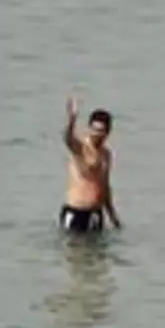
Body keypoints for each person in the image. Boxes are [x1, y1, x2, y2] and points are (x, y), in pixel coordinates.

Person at [59, 96, 121, 233]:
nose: (96, 134)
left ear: (108, 132)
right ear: (89, 128)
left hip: (95, 213)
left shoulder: (106, 155)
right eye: (94, 129)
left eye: (101, 130)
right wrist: (71, 121)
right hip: (76, 211)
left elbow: (105, 187)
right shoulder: (80, 148)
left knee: (98, 254)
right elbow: (68, 139)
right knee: (75, 252)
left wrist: (113, 217)